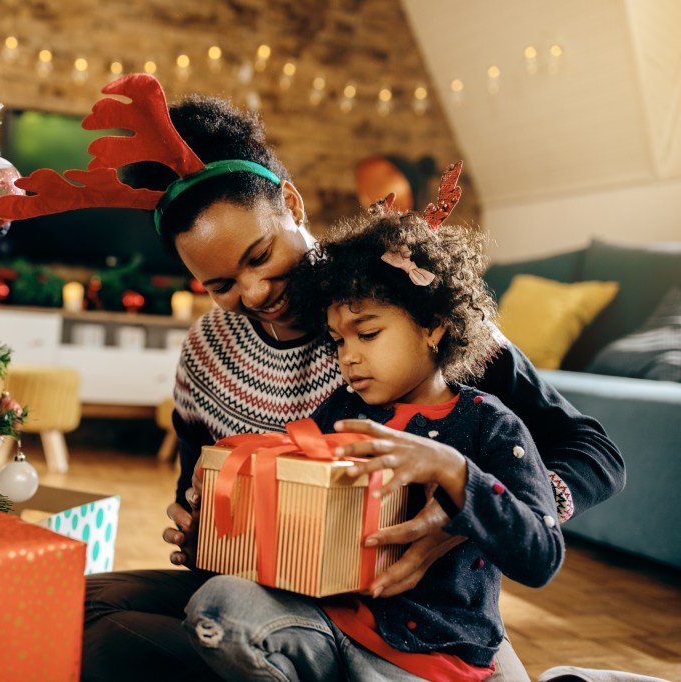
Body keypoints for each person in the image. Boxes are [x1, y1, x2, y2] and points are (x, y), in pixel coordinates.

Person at [0, 74, 624, 681]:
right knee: (72, 609)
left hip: (414, 624)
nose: (256, 290)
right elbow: (197, 485)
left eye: (260, 255)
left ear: (291, 204)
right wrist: (199, 523)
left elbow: (594, 453)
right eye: (221, 284)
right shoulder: (209, 349)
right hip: (268, 597)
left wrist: (461, 520)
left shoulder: (400, 308)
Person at [180, 192, 566, 680]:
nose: (348, 357)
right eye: (339, 340)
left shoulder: (492, 425)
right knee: (217, 608)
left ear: (433, 327)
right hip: (327, 622)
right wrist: (220, 517)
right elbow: (296, 506)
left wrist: (455, 472)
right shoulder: (342, 409)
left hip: (429, 656)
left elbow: (541, 557)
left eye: (368, 334)